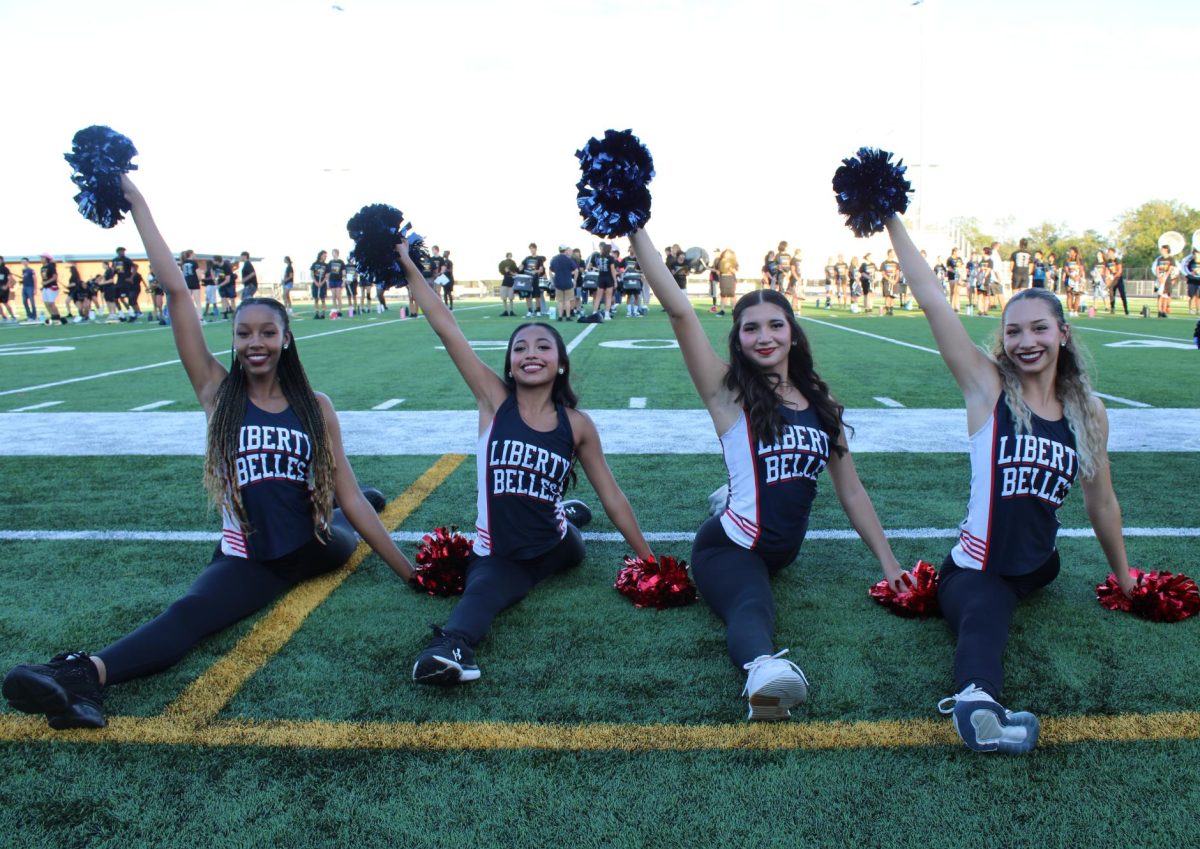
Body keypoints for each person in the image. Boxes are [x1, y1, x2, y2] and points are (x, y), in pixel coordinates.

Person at [1, 175, 415, 731]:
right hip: (250, 554)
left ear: (286, 338)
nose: (255, 343)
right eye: (244, 333)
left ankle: (84, 676)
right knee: (192, 613)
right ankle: (81, 675)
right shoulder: (217, 393)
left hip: (318, 544)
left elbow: (346, 497)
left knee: (349, 510)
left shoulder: (317, 407)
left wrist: (410, 573)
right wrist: (137, 203)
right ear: (235, 340)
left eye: (268, 332)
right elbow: (177, 294)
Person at [627, 225, 906, 720]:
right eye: (750, 328)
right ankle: (763, 672)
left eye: (775, 325)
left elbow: (853, 493)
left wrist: (888, 564)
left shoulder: (824, 406)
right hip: (729, 546)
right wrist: (635, 227)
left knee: (763, 574)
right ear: (737, 338)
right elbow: (678, 310)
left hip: (782, 551)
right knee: (752, 606)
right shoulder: (727, 393)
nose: (764, 336)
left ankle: (729, 493)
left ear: (793, 334)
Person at [883, 214, 1136, 754]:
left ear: (1063, 334)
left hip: (1040, 565)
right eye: (1013, 331)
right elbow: (932, 300)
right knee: (985, 616)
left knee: (1036, 569)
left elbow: (1102, 501)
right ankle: (977, 704)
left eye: (1039, 328)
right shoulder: (987, 388)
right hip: (977, 569)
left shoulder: (1088, 411)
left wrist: (1124, 576)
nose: (1025, 342)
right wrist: (888, 217)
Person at [393, 240, 654, 685]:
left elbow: (611, 495)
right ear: (510, 366)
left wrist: (650, 560)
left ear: (561, 365)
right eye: (520, 349)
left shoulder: (577, 424)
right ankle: (450, 646)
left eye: (543, 347)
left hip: (555, 545)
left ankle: (565, 514)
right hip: (500, 554)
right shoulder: (494, 402)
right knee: (485, 591)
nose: (531, 353)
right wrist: (405, 262)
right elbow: (447, 328)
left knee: (571, 544)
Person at [587, 241, 617, 318]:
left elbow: (598, 268)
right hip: (609, 278)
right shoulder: (611, 258)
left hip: (601, 278)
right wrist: (615, 281)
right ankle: (607, 314)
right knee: (608, 297)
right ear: (609, 250)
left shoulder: (599, 258)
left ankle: (594, 312)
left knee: (598, 297)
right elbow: (613, 270)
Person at [549, 244, 576, 321]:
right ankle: (568, 316)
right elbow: (576, 270)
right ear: (565, 250)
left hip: (558, 282)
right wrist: (575, 280)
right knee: (567, 300)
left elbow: (550, 270)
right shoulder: (569, 259)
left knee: (560, 301)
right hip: (568, 282)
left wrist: (551, 280)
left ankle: (560, 317)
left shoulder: (555, 259)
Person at [39, 254, 68, 325]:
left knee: (51, 303)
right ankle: (53, 315)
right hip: (45, 287)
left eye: (42, 258)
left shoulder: (51, 266)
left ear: (46, 259)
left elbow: (55, 277)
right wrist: (43, 284)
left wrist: (46, 282)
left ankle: (57, 316)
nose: (41, 259)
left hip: (52, 287)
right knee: (46, 303)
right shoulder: (42, 267)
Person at [1153, 243, 1178, 318]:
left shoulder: (1171, 259)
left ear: (1166, 250)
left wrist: (1165, 277)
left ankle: (1164, 311)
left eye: (1162, 249)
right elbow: (1157, 268)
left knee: (1166, 295)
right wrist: (1159, 277)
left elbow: (1170, 269)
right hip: (1160, 278)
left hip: (1167, 279)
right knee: (1160, 295)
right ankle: (1159, 311)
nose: (1161, 251)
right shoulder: (1159, 259)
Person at [715, 248, 738, 315]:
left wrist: (730, 268)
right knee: (723, 295)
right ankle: (722, 310)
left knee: (732, 294)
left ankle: (734, 310)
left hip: (731, 278)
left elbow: (735, 271)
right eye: (726, 253)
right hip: (723, 278)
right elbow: (717, 270)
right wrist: (718, 272)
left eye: (728, 253)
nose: (727, 254)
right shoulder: (719, 261)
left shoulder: (734, 261)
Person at [497, 251, 518, 317]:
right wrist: (505, 271)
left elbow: (516, 270)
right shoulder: (503, 263)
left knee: (511, 298)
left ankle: (511, 311)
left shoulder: (513, 262)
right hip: (505, 280)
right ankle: (505, 311)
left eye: (510, 255)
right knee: (504, 298)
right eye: (509, 255)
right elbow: (501, 270)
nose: (510, 256)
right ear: (507, 256)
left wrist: (512, 272)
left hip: (511, 281)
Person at [326, 249, 345, 318]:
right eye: (332, 253)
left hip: (339, 280)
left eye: (334, 252)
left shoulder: (341, 262)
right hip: (332, 280)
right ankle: (335, 311)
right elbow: (328, 273)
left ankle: (340, 311)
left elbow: (343, 272)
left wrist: (343, 281)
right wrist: (327, 282)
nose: (333, 254)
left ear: (337, 253)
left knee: (338, 296)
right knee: (333, 296)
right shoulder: (330, 262)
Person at [310, 250, 329, 320]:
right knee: (316, 299)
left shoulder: (326, 265)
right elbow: (312, 274)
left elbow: (327, 276)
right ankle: (316, 313)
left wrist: (322, 283)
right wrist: (316, 282)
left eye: (326, 256)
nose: (325, 257)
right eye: (324, 255)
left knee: (323, 299)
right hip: (316, 283)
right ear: (321, 255)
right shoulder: (314, 264)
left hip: (322, 284)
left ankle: (323, 313)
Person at [1182, 247, 1200, 316]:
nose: (1196, 255)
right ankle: (1191, 309)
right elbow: (1186, 269)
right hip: (1192, 280)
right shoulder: (1190, 261)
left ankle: (1198, 309)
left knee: (1199, 296)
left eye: (1198, 253)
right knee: (1192, 296)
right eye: (1195, 254)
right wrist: (1191, 273)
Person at [0, 257, 15, 322]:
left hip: (3, 288)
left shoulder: (5, 269)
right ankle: (4, 316)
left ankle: (13, 316)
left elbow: (10, 278)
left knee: (5, 302)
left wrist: (6, 286)